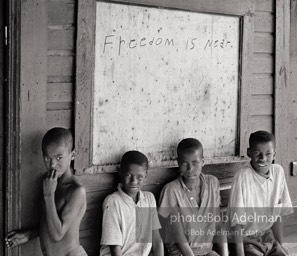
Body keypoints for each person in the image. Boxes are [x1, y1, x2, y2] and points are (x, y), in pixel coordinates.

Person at [5, 127, 88, 256]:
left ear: (72, 155)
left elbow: (57, 235)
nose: (52, 164)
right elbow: (50, 221)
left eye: (59, 157)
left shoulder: (76, 191)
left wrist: (49, 194)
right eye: (47, 158)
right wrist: (29, 235)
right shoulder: (50, 182)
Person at [158, 138, 228, 256]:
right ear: (178, 163)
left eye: (195, 162)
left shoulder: (212, 183)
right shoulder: (171, 190)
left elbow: (218, 224)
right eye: (185, 163)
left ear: (203, 162)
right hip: (181, 253)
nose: (190, 169)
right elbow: (178, 236)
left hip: (207, 252)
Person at [228, 130, 294, 256]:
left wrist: (280, 247)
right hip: (244, 240)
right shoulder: (243, 177)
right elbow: (236, 224)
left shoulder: (278, 172)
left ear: (274, 154)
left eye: (268, 153)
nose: (263, 158)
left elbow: (277, 215)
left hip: (266, 237)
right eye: (257, 153)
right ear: (249, 153)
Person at [100, 150, 164, 256]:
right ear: (120, 173)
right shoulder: (113, 202)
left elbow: (156, 238)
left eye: (140, 177)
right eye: (128, 175)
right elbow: (115, 248)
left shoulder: (149, 199)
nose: (134, 181)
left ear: (146, 175)